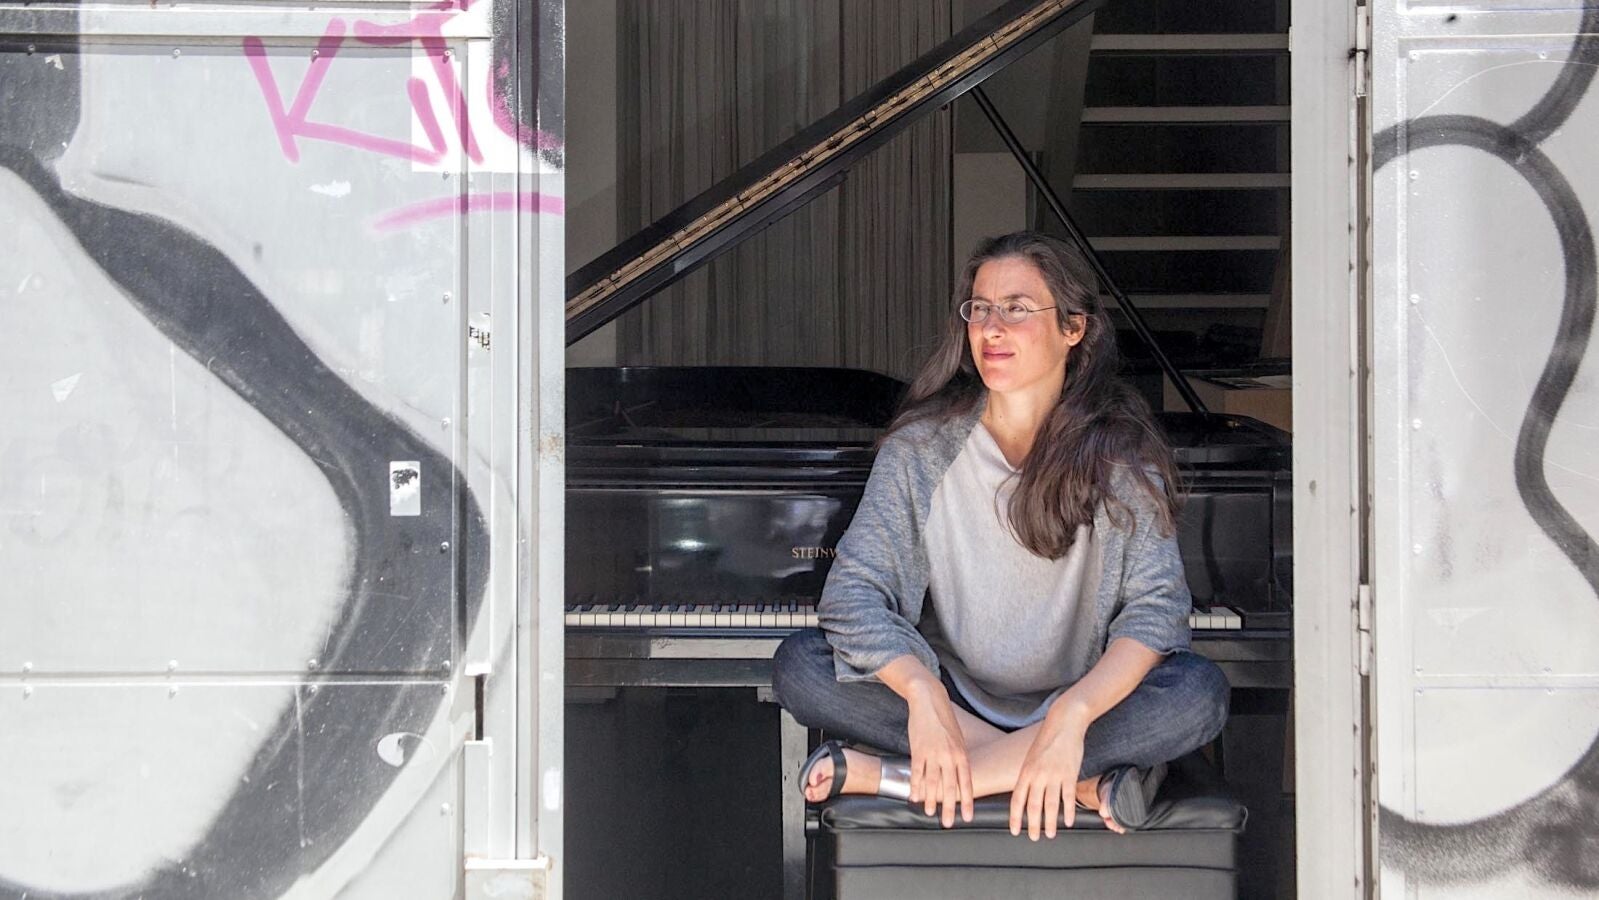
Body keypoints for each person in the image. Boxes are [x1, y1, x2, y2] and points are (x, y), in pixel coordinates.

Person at [771, 231, 1229, 841]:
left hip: (1085, 703)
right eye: (980, 308)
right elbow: (852, 594)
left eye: (1016, 308)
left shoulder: (1123, 456)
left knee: (1198, 692)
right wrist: (924, 696)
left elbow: (1156, 613)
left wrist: (1073, 716)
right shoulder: (920, 450)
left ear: (1073, 328)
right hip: (957, 698)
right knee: (800, 666)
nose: (990, 327)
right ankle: (1077, 778)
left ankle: (903, 777)